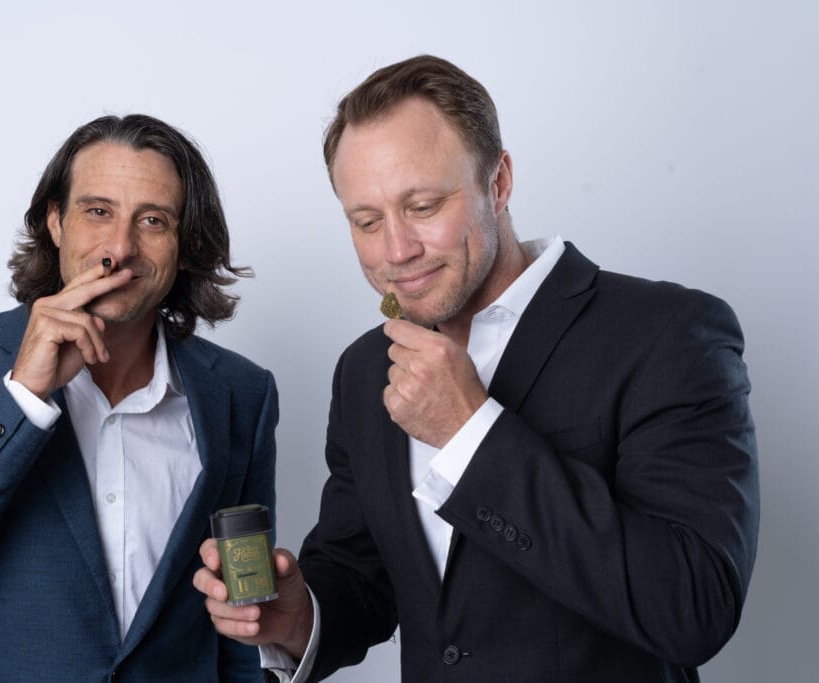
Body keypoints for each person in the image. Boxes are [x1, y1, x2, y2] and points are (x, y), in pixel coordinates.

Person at [194, 55, 759, 681]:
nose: (396, 251)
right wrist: (298, 618)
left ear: (499, 182)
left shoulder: (666, 334)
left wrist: (470, 433)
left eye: (424, 206)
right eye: (367, 221)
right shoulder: (364, 369)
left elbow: (692, 607)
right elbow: (362, 578)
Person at [0, 114, 277, 682]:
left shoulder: (241, 394)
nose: (119, 248)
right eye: (97, 211)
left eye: (152, 220)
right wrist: (21, 396)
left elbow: (243, 617)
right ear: (55, 222)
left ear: (186, 243)